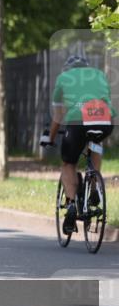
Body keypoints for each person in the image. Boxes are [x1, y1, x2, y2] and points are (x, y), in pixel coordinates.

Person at [40, 55, 114, 234]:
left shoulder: (63, 78)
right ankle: (95, 184)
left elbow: (58, 117)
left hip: (78, 122)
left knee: (68, 163)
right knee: (95, 143)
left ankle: (72, 204)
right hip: (105, 120)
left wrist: (49, 138)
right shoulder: (99, 75)